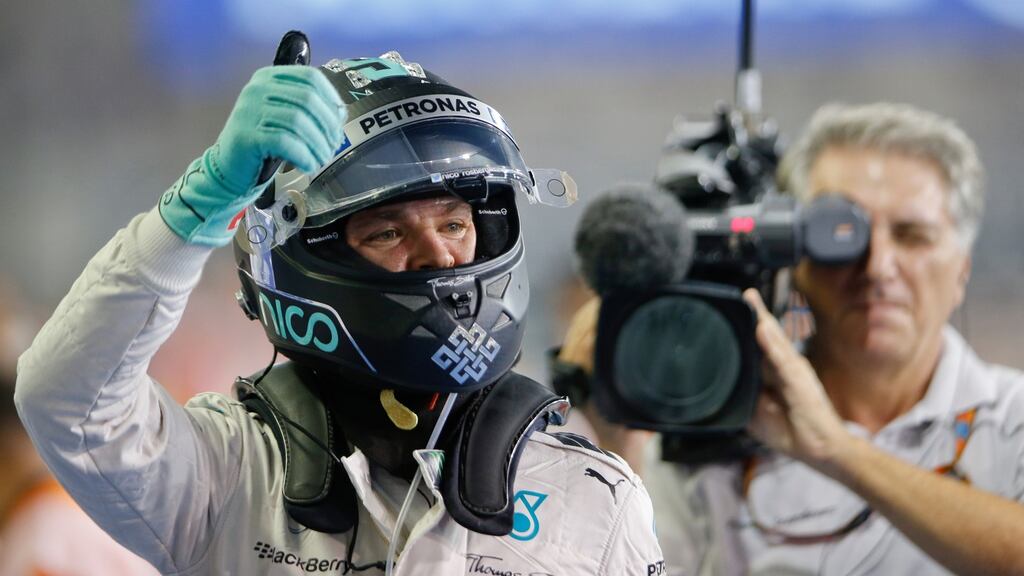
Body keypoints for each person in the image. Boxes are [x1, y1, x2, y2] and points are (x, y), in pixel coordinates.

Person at [15, 36, 664, 575]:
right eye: (388, 233)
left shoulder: (594, 501)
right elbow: (65, 400)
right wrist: (201, 203)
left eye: (455, 223)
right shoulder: (230, 472)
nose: (439, 256)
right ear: (310, 264)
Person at [639, 102, 1024, 575]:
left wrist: (839, 451)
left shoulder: (1014, 421)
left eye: (912, 235)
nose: (877, 267)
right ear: (794, 260)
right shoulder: (716, 431)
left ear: (962, 269)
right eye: (841, 232)